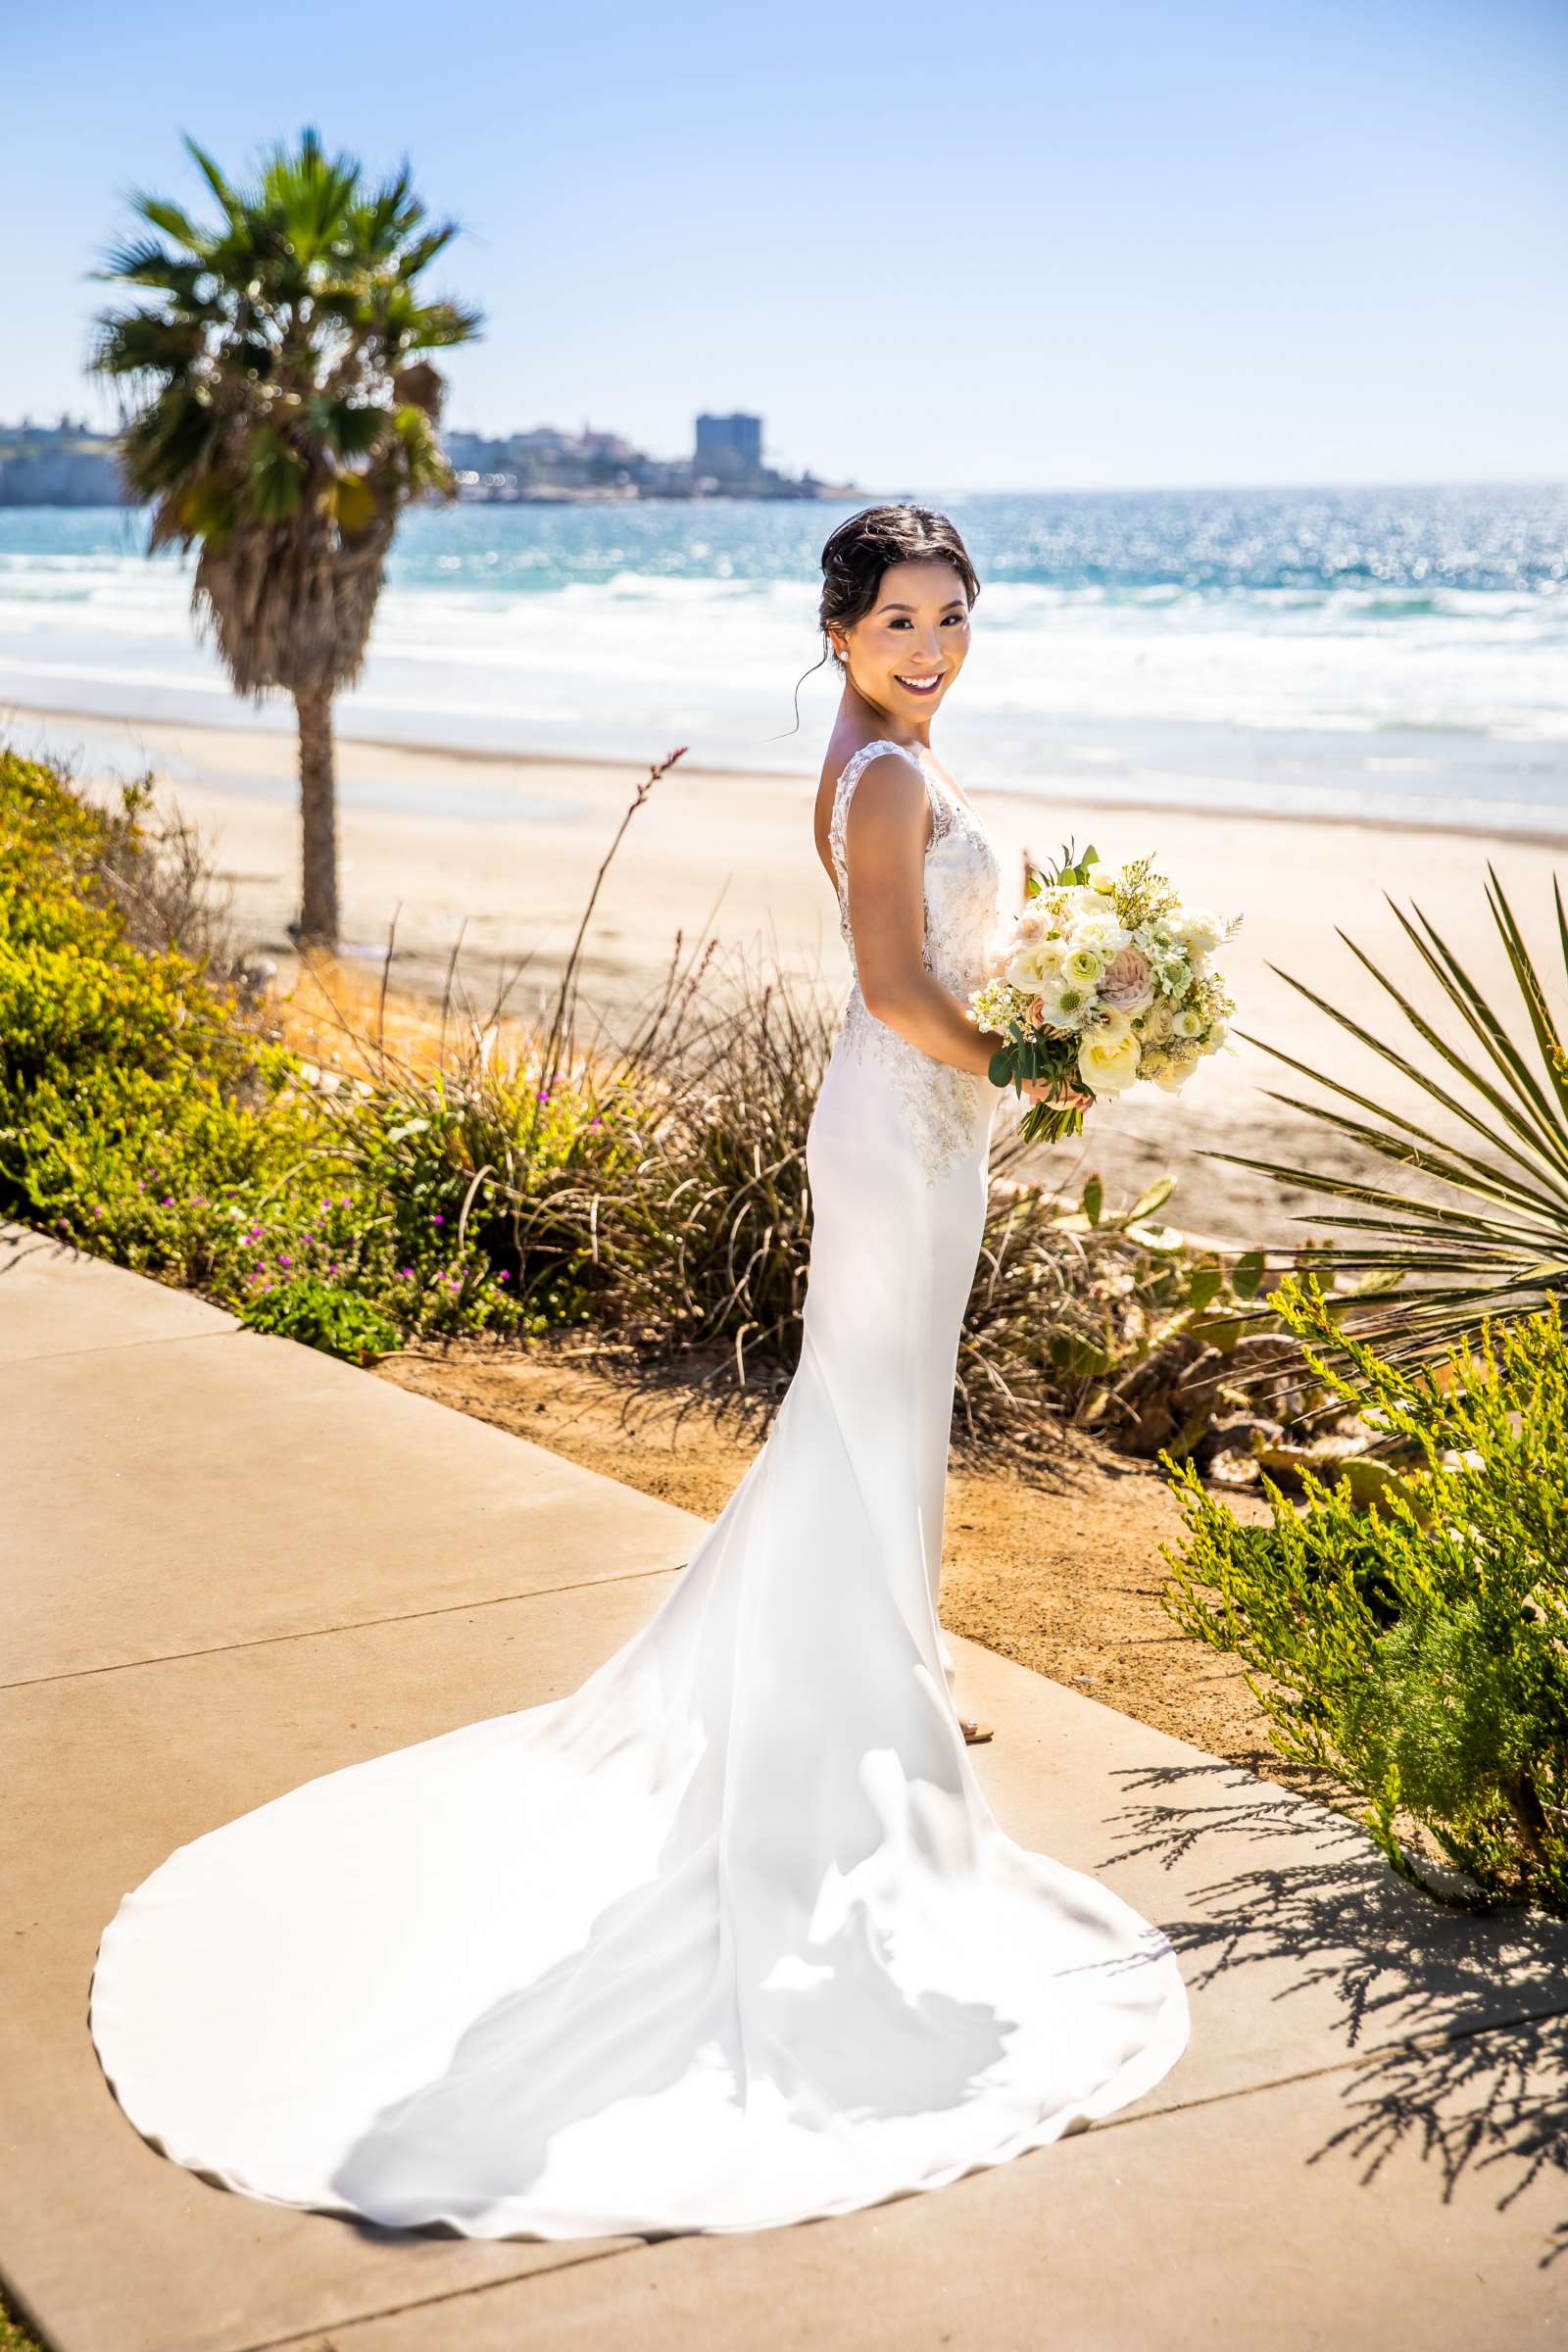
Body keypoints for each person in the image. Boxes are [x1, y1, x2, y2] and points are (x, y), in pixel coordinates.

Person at [88, 505, 1189, 2242]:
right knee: (867, 1398)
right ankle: (878, 1666)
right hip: (905, 1127)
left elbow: (927, 979)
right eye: (899, 617)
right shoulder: (890, 777)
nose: (930, 643)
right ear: (838, 629)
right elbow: (899, 987)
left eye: (954, 616)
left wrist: (1035, 1046)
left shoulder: (872, 750)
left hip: (920, 1130)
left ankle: (899, 1645)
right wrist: (1039, 1048)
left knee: (876, 1401)